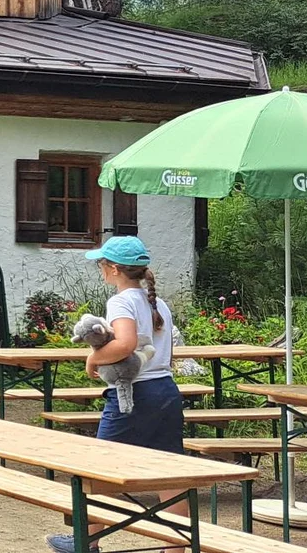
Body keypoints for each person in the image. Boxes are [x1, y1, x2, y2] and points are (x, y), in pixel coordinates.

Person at [48, 235, 184, 553]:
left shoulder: (121, 301)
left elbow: (124, 343)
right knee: (172, 471)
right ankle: (177, 547)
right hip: (165, 390)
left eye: (101, 264)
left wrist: (94, 358)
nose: (100, 270)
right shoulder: (156, 302)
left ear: (113, 269)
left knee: (98, 468)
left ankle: (86, 542)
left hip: (134, 394)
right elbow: (163, 351)